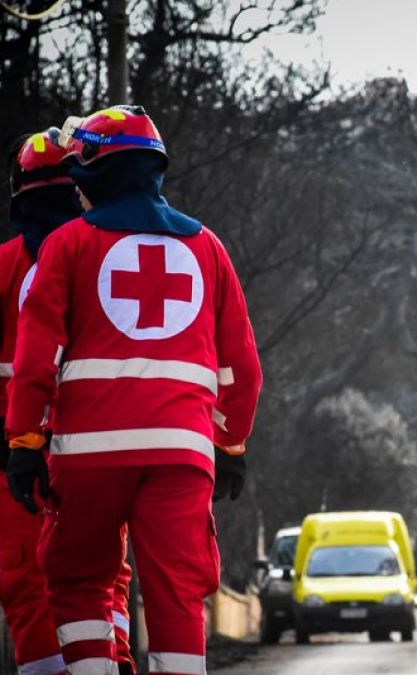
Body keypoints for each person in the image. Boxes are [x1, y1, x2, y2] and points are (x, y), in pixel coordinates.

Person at [5, 106, 263, 675]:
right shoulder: (209, 248)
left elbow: (35, 358)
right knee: (177, 592)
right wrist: (231, 445)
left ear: (95, 166)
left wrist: (25, 441)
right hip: (182, 455)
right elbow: (241, 368)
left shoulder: (68, 245)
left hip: (89, 456)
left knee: (79, 581)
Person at [1, 128, 137, 675]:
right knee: (108, 576)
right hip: (97, 448)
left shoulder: (10, 265)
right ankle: (115, 662)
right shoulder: (108, 258)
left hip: (17, 454)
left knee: (27, 577)